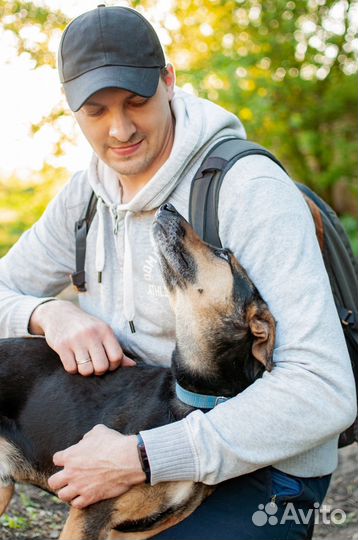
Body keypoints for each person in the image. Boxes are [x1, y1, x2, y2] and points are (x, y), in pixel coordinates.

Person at [0, 5, 356, 539]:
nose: (120, 129)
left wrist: (146, 457)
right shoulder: (84, 197)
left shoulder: (248, 189)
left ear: (169, 81)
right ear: (71, 108)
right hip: (130, 436)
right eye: (96, 110)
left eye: (137, 102)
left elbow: (324, 387)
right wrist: (45, 313)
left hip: (260, 467)